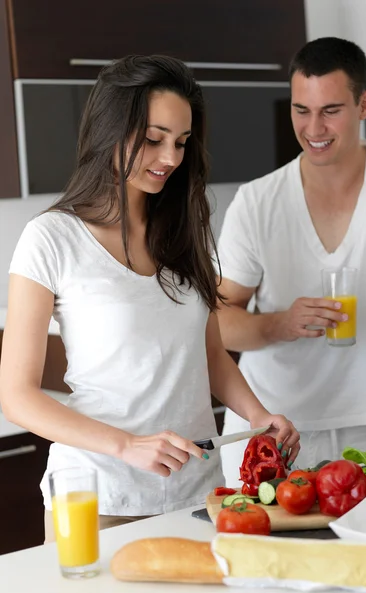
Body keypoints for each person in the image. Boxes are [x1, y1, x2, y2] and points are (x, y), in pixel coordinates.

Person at [0, 55, 299, 540]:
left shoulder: (183, 234)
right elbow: (16, 398)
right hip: (99, 496)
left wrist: (259, 416)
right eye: (154, 139)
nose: (171, 158)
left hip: (196, 493)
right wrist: (126, 446)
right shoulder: (50, 238)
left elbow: (208, 354)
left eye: (181, 142)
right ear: (110, 130)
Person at [216, 37, 366, 486]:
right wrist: (279, 323)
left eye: (330, 110)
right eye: (301, 110)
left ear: (364, 104)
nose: (313, 127)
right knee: (269, 557)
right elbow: (219, 319)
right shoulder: (257, 201)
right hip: (272, 431)